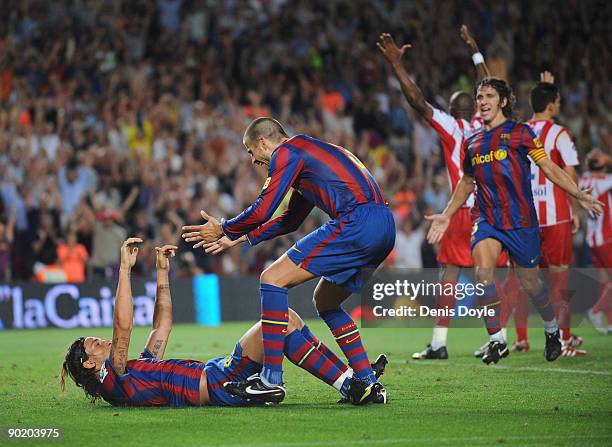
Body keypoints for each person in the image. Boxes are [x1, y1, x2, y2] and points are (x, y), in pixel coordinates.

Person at [182, 117, 394, 403]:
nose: (253, 160)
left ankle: (271, 379)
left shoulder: (287, 152)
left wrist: (223, 226)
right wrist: (242, 238)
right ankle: (366, 381)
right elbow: (290, 220)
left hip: (357, 222)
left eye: (250, 151)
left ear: (263, 142)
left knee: (271, 280)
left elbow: (263, 209)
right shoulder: (306, 155)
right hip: (383, 226)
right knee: (326, 302)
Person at [61, 238, 387, 407]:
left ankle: (353, 383)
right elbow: (123, 327)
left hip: (220, 374)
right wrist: (124, 270)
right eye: (95, 344)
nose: (103, 341)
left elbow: (163, 326)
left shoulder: (133, 373)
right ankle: (351, 382)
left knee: (286, 321)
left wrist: (161, 272)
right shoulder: (113, 380)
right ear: (90, 364)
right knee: (282, 320)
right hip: (219, 384)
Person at [426, 77, 603, 365]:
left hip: (521, 222)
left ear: (503, 102)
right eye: (479, 96)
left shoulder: (521, 134)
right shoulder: (473, 143)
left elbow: (548, 167)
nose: (482, 101)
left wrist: (577, 195)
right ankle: (497, 340)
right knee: (483, 273)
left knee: (531, 282)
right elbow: (466, 182)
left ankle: (551, 329)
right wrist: (446, 215)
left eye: (489, 96)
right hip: (486, 219)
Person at [377, 27, 505, 360]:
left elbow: (417, 101)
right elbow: (488, 86)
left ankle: (439, 343)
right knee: (486, 276)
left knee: (449, 275)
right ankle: (499, 337)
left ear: (452, 109)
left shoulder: (451, 126)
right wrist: (475, 50)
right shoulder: (487, 121)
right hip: (491, 209)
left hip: (462, 210)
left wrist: (397, 66)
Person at [500, 72, 586, 356]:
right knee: (559, 280)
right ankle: (563, 339)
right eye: (558, 100)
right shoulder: (560, 133)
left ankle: (522, 339)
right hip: (556, 217)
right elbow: (569, 172)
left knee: (524, 280)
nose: (560, 105)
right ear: (551, 105)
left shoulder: (520, 130)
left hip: (526, 218)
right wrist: (575, 209)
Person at [582, 150, 612, 335]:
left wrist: (593, 160)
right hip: (606, 238)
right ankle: (595, 310)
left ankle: (610, 323)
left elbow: (589, 168)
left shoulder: (584, 180)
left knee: (605, 282)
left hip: (592, 240)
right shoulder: (603, 182)